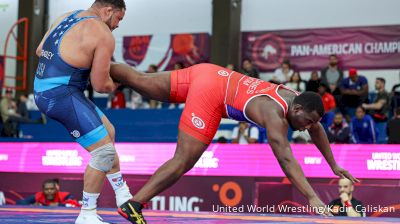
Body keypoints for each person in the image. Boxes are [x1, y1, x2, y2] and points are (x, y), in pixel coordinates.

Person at [110, 62, 359, 223]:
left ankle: (92, 63)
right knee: (183, 160)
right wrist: (312, 197)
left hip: (211, 72)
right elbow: (285, 159)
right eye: (306, 121)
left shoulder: (299, 102)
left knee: (140, 80)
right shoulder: (276, 117)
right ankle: (134, 204)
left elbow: (317, 129)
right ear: (298, 109)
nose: (306, 127)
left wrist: (333, 164)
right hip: (212, 94)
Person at [33, 1, 132, 223]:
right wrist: (118, 82)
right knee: (104, 152)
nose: (117, 26)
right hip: (60, 96)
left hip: (45, 90)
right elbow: (100, 86)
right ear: (108, 10)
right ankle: (87, 215)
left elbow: (40, 50)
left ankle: (122, 193)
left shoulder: (67, 15)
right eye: (119, 19)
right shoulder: (103, 34)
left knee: (109, 131)